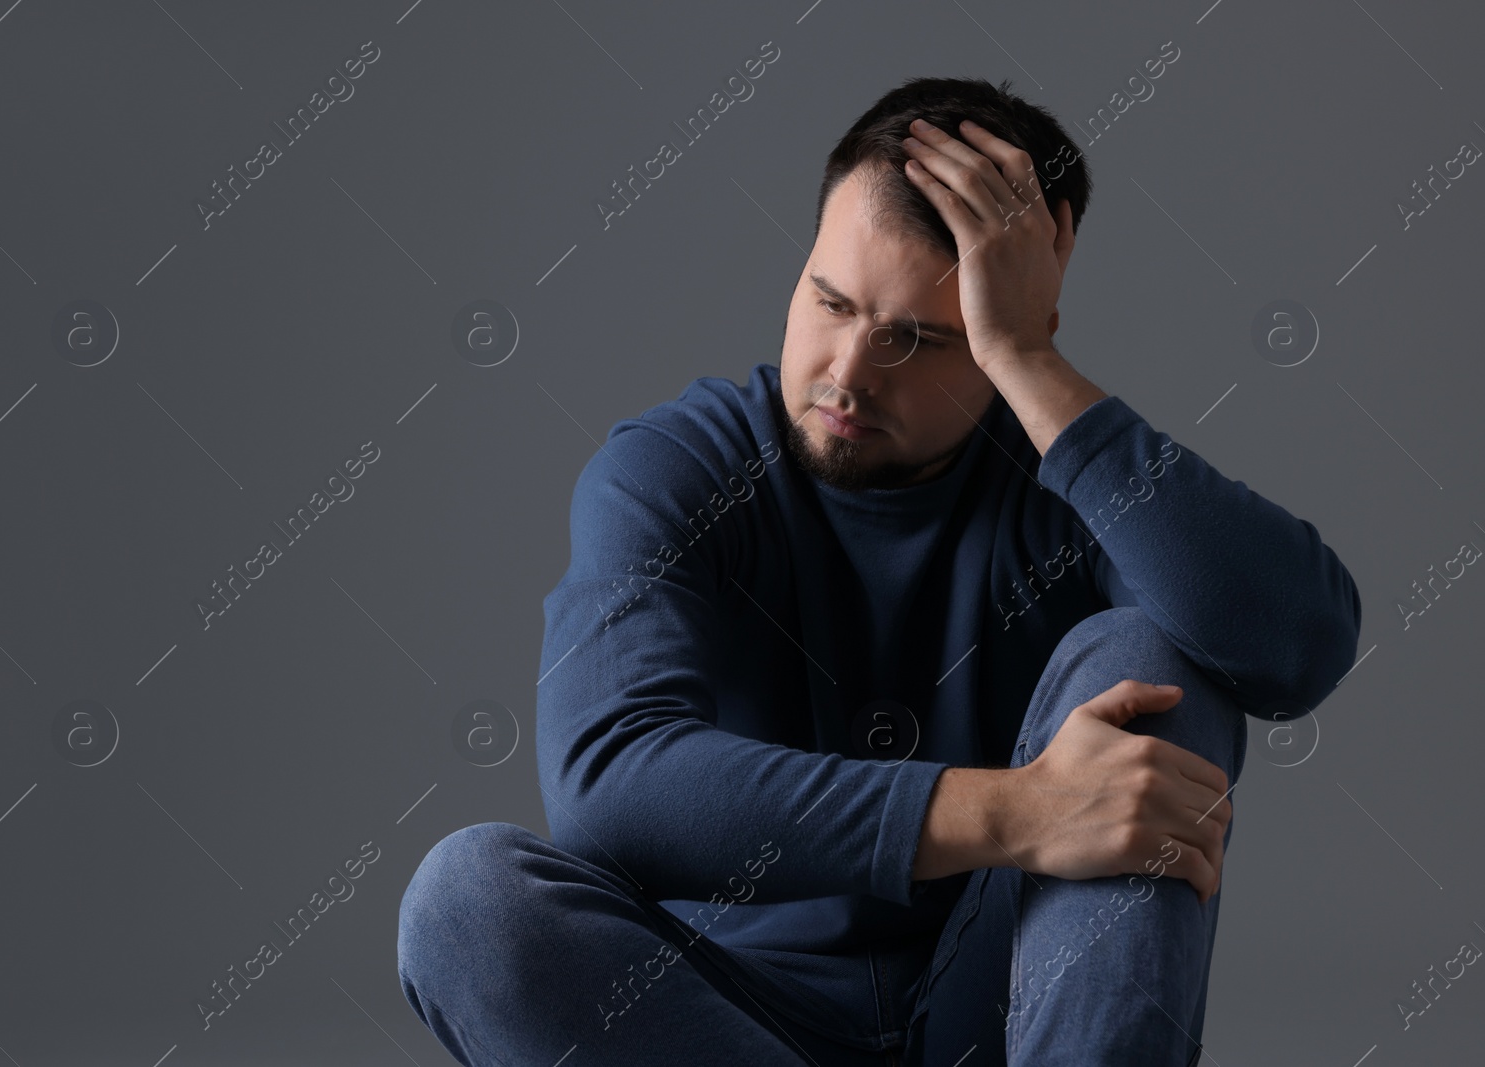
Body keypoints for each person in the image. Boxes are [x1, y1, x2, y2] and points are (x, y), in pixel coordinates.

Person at [396, 75, 1361, 1066]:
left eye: (917, 340)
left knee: (1151, 655)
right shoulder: (680, 466)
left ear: (1003, 329)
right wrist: (1014, 809)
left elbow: (1295, 645)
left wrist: (1032, 367)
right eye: (829, 300)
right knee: (466, 898)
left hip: (999, 1016)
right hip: (728, 1022)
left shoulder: (1067, 480)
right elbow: (610, 789)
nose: (848, 372)